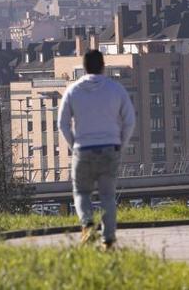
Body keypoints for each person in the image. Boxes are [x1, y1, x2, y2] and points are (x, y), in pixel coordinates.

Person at [58, 49, 135, 250]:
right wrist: (121, 143)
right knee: (108, 195)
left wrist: (73, 144)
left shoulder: (73, 90)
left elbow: (62, 123)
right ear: (103, 66)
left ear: (84, 68)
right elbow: (130, 120)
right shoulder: (116, 89)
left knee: (82, 192)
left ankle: (88, 226)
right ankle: (108, 240)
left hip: (83, 149)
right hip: (110, 148)